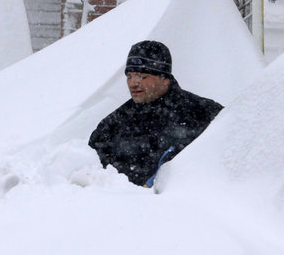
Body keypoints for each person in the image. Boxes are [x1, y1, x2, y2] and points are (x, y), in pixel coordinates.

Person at [88, 40, 223, 186]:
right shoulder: (112, 126)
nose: (133, 83)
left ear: (164, 79)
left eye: (142, 76)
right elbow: (88, 175)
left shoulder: (204, 113)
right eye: (129, 76)